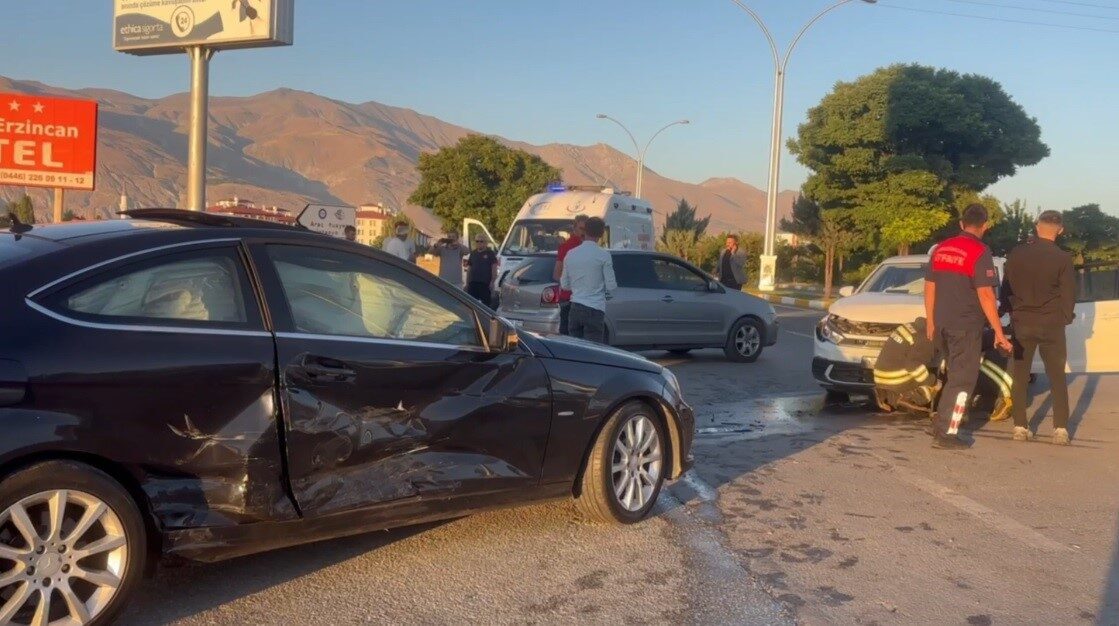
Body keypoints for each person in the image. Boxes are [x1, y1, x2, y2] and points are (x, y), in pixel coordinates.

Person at [924, 203, 1012, 449]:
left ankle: (940, 422)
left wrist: (930, 320)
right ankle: (947, 434)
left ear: (961, 224)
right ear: (985, 226)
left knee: (953, 375)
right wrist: (998, 331)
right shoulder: (980, 251)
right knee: (963, 380)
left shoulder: (941, 249)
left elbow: (929, 286)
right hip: (965, 326)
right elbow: (986, 295)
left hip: (941, 324)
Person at [1001, 210, 1076, 445]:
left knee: (1020, 375)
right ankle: (1061, 429)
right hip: (1051, 323)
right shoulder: (1062, 258)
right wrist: (1064, 318)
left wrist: (1009, 311)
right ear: (1060, 230)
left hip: (1023, 323)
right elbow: (1069, 295)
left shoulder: (1016, 254)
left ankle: (1020, 426)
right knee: (1056, 377)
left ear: (1036, 226)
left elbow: (1006, 289)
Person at [560, 217, 616, 343]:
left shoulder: (570, 254)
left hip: (575, 308)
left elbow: (564, 285)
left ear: (585, 231)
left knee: (575, 350)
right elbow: (611, 285)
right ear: (601, 234)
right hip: (595, 309)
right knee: (593, 351)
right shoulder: (604, 256)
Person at [554, 215, 588, 335]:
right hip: (573, 299)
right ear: (574, 228)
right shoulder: (567, 247)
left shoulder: (587, 248)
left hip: (572, 298)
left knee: (567, 337)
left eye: (586, 229)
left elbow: (556, 275)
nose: (583, 232)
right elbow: (557, 273)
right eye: (581, 228)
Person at [465, 235, 498, 306]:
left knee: (485, 306)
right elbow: (469, 269)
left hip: (485, 284)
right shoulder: (473, 253)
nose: (479, 243)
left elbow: (494, 268)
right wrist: (467, 283)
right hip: (473, 283)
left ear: (486, 243)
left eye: (481, 241)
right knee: (471, 305)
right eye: (477, 241)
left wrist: (492, 282)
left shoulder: (490, 253)